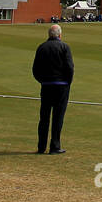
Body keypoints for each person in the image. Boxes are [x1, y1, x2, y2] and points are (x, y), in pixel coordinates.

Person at [32, 24, 74, 154]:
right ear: (60, 35)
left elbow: (35, 69)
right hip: (61, 86)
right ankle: (55, 146)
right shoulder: (64, 47)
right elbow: (70, 68)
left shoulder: (42, 47)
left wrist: (43, 81)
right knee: (58, 117)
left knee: (44, 117)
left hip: (46, 86)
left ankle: (41, 146)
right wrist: (67, 82)